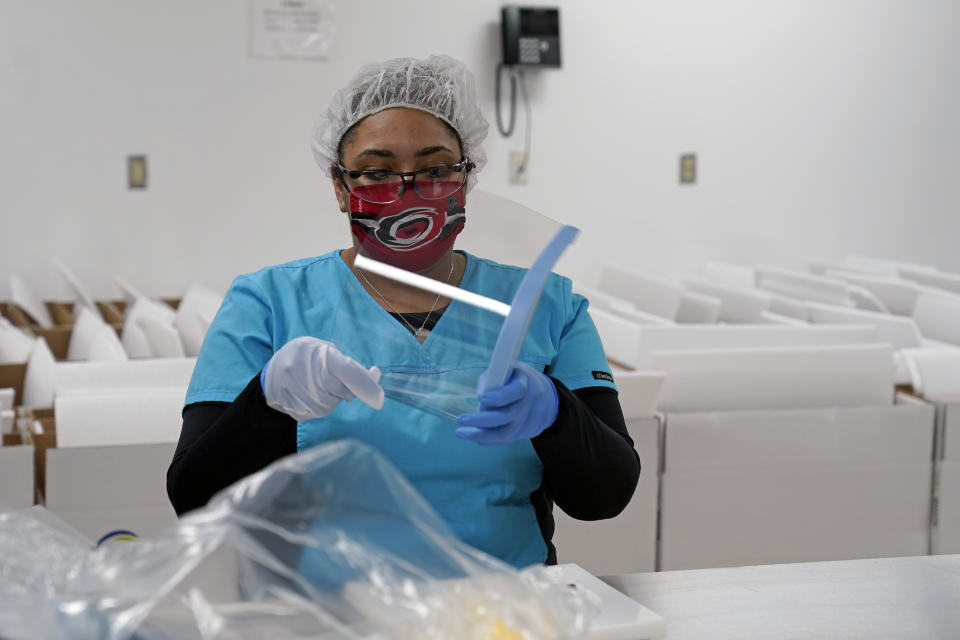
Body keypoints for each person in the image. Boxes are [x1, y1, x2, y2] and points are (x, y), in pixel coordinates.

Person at [167, 54, 640, 569]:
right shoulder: (266, 305)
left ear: (466, 179)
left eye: (436, 169)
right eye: (377, 172)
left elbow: (605, 498)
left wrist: (556, 413)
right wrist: (266, 406)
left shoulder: (548, 306)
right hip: (326, 616)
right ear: (340, 186)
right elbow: (194, 499)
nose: (408, 191)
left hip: (503, 611)